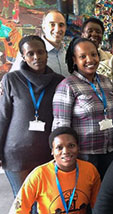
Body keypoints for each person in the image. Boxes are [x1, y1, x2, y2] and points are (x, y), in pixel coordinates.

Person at [0, 35, 64, 198]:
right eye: (30, 53)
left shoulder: (59, 81)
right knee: (23, 202)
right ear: (23, 56)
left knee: (45, 202)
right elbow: (2, 117)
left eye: (40, 52)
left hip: (47, 155)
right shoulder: (11, 80)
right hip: (16, 156)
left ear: (46, 54)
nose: (37, 57)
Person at [52, 37, 113, 179]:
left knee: (107, 197)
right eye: (83, 56)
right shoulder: (67, 86)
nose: (90, 60)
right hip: (85, 154)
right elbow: (61, 127)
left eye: (93, 54)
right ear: (74, 60)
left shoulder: (106, 81)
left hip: (111, 151)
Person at [10, 127, 101, 214]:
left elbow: (99, 206)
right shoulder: (39, 175)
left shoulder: (90, 170)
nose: (66, 151)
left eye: (71, 145)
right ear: (52, 151)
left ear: (78, 148)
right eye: (59, 147)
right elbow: (18, 210)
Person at [10, 10, 69, 77]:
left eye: (61, 25)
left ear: (65, 28)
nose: (57, 29)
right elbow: (12, 81)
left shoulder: (67, 53)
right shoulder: (30, 52)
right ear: (43, 27)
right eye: (52, 24)